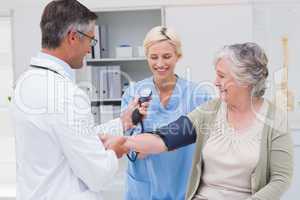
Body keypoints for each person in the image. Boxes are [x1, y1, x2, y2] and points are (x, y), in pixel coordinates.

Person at [11, 0, 148, 199]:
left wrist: (123, 123)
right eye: (91, 40)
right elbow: (98, 174)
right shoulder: (65, 93)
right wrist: (115, 151)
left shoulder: (25, 83)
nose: (89, 49)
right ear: (73, 37)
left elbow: (71, 139)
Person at [123, 42, 294, 200]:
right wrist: (122, 140)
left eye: (221, 76)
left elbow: (280, 179)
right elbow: (164, 139)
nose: (215, 82)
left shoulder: (274, 119)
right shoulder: (210, 110)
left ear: (245, 82)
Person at [121, 26, 211, 200]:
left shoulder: (198, 95)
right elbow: (130, 146)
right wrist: (135, 125)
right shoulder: (134, 94)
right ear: (146, 56)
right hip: (144, 189)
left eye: (167, 56)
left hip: (184, 188)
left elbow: (209, 148)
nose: (160, 64)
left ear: (178, 56)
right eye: (153, 57)